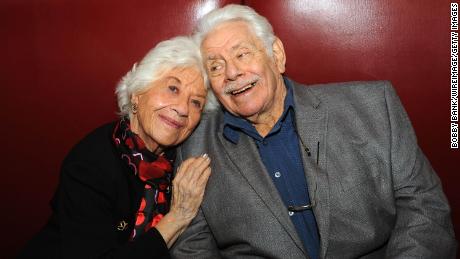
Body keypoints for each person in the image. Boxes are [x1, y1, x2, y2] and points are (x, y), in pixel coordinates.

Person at [170, 4, 457, 259]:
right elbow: (192, 245)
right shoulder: (193, 145)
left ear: (277, 55)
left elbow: (425, 208)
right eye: (216, 67)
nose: (232, 73)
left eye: (242, 54)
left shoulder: (373, 107)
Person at [19, 36, 217, 258]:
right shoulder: (90, 164)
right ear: (137, 94)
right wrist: (178, 217)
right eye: (173, 88)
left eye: (196, 102)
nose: (182, 108)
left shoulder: (186, 161)